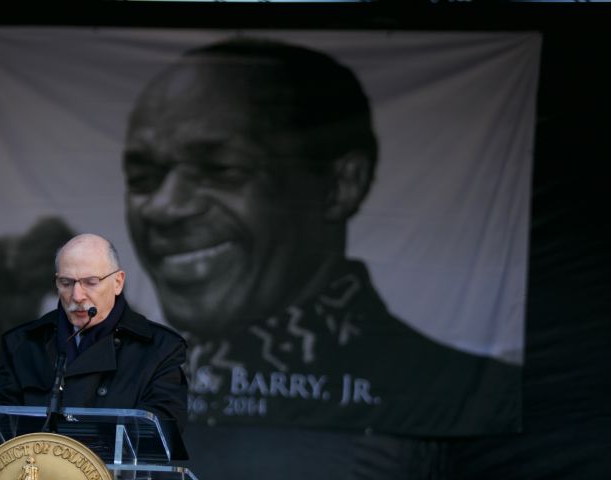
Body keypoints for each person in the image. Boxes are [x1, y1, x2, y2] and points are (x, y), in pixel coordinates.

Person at [122, 37, 519, 437]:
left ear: (340, 186)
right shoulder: (127, 388)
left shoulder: (474, 398)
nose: (163, 208)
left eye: (220, 168)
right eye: (141, 178)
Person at [0, 233, 188, 433]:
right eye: (67, 283)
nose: (77, 295)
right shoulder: (23, 344)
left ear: (117, 282)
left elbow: (160, 434)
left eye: (91, 282)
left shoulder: (160, 348)